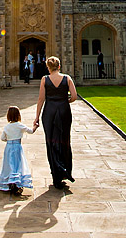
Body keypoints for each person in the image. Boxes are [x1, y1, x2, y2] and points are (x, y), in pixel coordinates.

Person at [33, 56, 78, 189]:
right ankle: (65, 171)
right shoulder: (67, 78)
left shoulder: (45, 79)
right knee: (65, 141)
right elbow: (74, 96)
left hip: (49, 112)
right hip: (64, 110)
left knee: (51, 142)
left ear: (48, 67)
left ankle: (56, 177)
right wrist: (65, 101)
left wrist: (36, 117)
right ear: (59, 66)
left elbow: (41, 99)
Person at [0, 105, 35, 195]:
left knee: (9, 164)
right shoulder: (19, 125)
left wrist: (8, 139)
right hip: (17, 146)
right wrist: (35, 126)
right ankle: (16, 182)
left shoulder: (7, 127)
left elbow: (2, 138)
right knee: (17, 164)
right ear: (18, 115)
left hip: (9, 147)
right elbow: (30, 131)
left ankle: (9, 181)